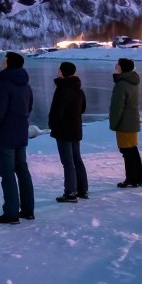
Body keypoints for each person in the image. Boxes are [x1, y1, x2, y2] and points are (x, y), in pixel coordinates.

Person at [0, 51, 35, 224]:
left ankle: (11, 212)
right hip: (21, 132)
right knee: (22, 170)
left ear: (9, 63)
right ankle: (28, 209)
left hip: (5, 135)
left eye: (4, 60)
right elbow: (29, 108)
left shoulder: (4, 85)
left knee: (7, 173)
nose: (1, 62)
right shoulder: (26, 86)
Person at [48, 61, 88, 203]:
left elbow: (56, 112)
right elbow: (82, 109)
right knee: (76, 158)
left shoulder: (62, 89)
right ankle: (83, 189)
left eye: (59, 70)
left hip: (63, 130)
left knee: (68, 161)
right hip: (75, 128)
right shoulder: (79, 89)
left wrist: (53, 125)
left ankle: (70, 193)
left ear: (63, 72)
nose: (57, 71)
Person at [109, 57, 142, 188]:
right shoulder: (132, 82)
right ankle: (137, 178)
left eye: (118, 65)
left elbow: (117, 107)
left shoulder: (122, 84)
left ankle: (132, 179)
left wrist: (114, 123)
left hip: (124, 122)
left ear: (122, 68)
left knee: (127, 151)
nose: (115, 66)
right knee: (133, 150)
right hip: (132, 120)